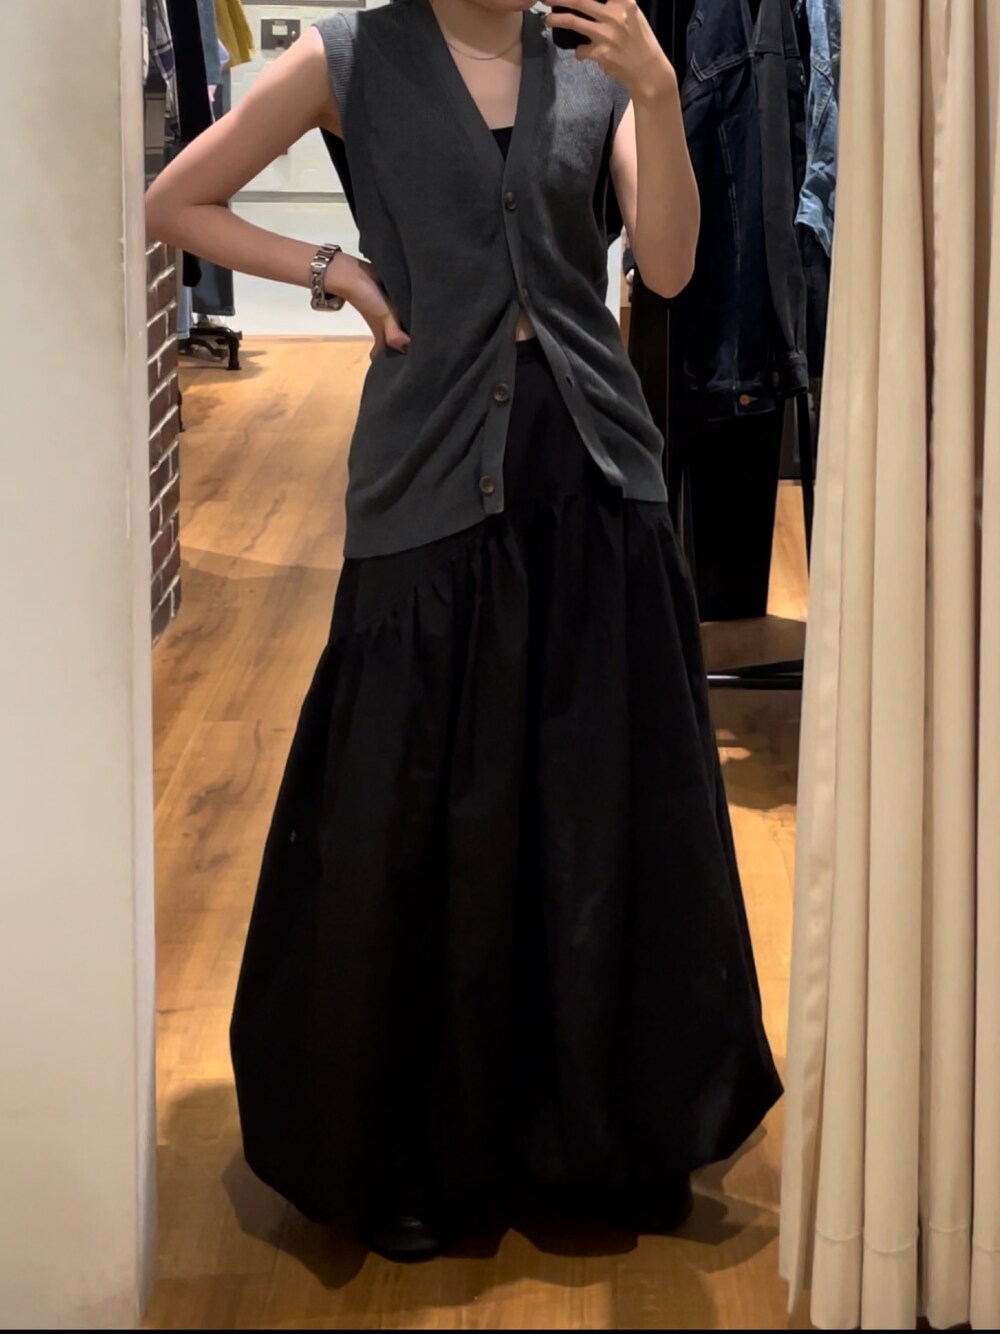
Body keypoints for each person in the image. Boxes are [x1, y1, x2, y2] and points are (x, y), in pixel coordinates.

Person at [146, 0, 782, 1263]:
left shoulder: (593, 59)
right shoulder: (348, 56)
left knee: (590, 809)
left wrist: (657, 91)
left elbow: (665, 269)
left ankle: (597, 1138)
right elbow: (177, 201)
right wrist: (332, 271)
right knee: (417, 806)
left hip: (591, 474)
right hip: (427, 466)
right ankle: (416, 1147)